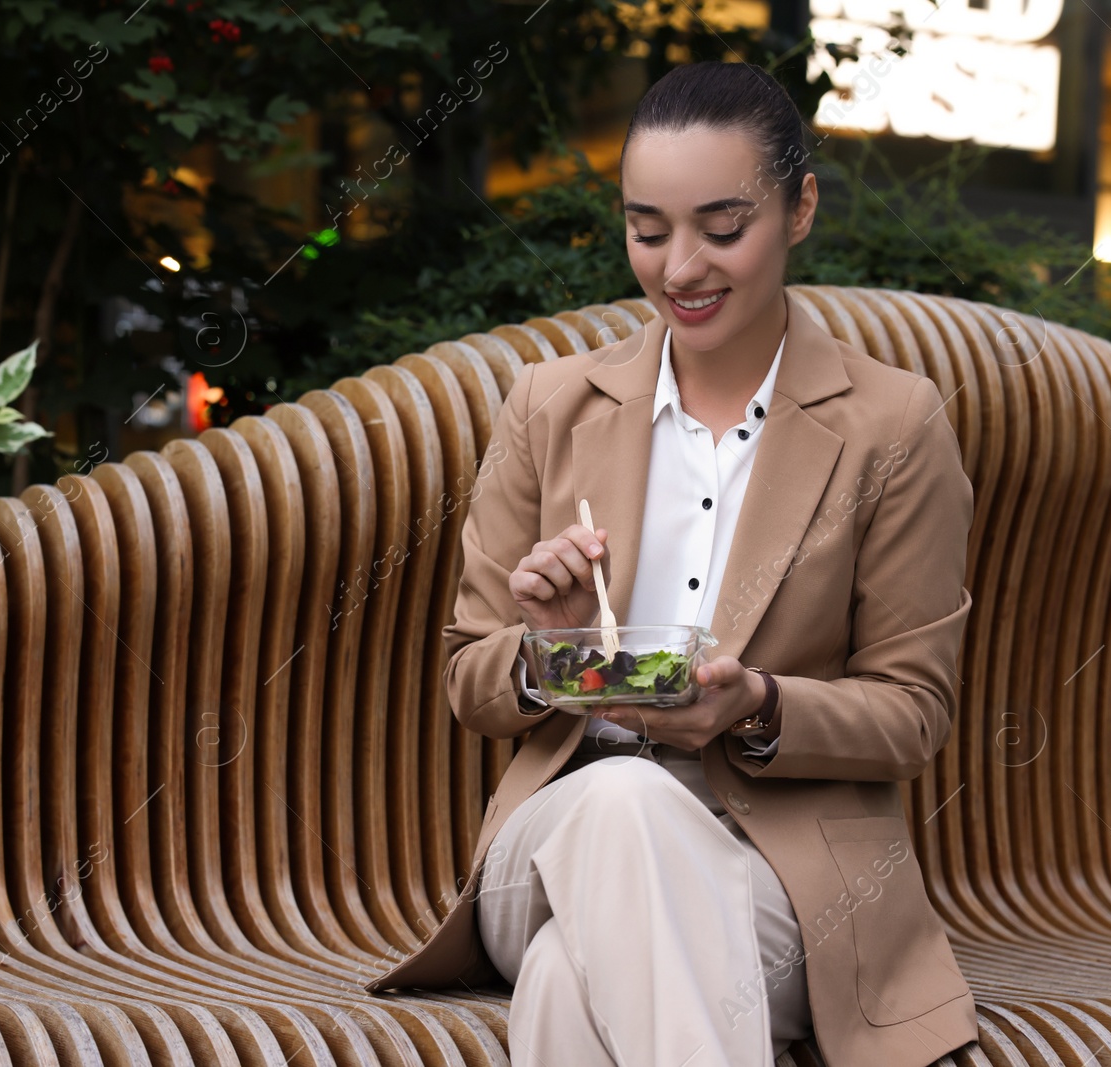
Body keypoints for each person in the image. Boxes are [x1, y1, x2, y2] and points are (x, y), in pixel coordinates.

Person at [364, 61, 979, 1067]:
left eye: (721, 227)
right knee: (625, 798)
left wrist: (759, 705)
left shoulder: (893, 426)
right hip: (555, 844)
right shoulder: (548, 406)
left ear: (799, 207)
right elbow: (470, 678)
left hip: (781, 884)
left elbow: (913, 711)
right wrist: (546, 648)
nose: (679, 267)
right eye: (647, 230)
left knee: (570, 982)